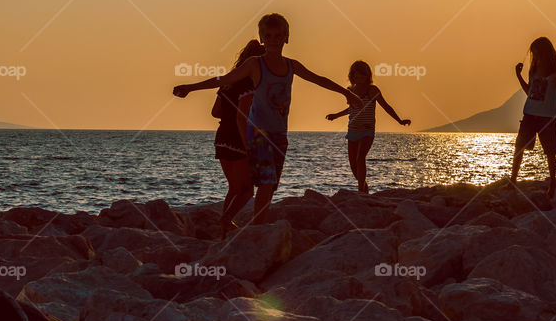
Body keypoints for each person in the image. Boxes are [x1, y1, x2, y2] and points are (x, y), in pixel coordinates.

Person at [174, 13, 362, 225]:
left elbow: (318, 79)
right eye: (269, 36)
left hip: (279, 134)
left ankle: (247, 223)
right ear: (262, 38)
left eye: (278, 36)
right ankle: (255, 226)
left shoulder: (292, 66)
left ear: (286, 38)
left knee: (270, 185)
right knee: (266, 181)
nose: (273, 40)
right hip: (258, 132)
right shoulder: (255, 64)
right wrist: (191, 87)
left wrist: (347, 93)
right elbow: (224, 79)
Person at [170, 40, 263, 238]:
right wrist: (248, 145)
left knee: (234, 187)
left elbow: (215, 112)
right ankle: (226, 220)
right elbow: (242, 117)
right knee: (247, 190)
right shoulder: (249, 86)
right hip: (238, 138)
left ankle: (224, 231)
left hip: (221, 137)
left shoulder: (227, 84)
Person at [325, 60, 411, 193]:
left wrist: (399, 120)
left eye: (362, 75)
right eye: (356, 75)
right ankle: (365, 189)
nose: (358, 78)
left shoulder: (372, 90)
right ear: (352, 76)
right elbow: (351, 110)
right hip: (352, 130)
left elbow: (386, 106)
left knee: (360, 157)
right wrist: (336, 115)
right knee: (353, 165)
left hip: (367, 130)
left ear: (367, 76)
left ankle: (361, 191)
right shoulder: (350, 90)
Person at [511, 36, 556, 197]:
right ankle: (513, 181)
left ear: (545, 53)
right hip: (529, 113)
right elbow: (530, 92)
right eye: (533, 54)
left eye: (537, 54)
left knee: (550, 151)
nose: (535, 57)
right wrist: (518, 76)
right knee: (519, 147)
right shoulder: (534, 71)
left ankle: (552, 184)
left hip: (547, 117)